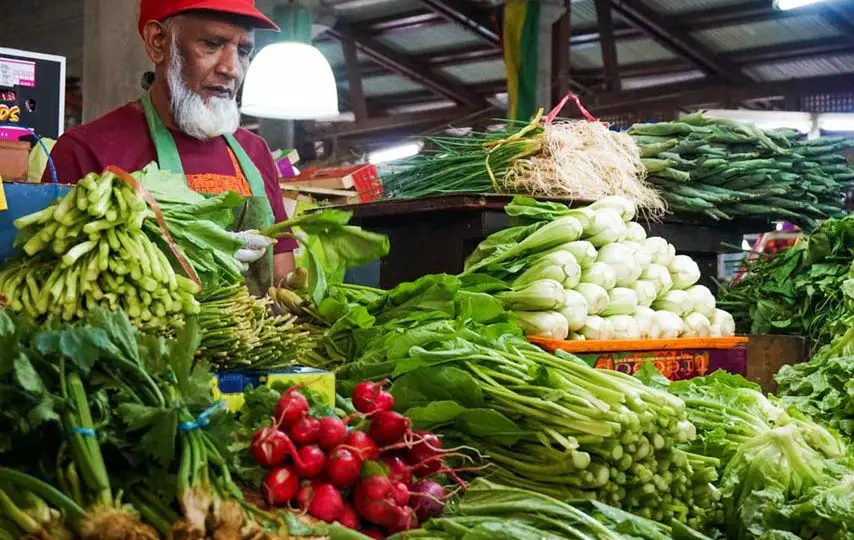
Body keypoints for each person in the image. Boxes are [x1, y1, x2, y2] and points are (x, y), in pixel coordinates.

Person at [44, 0, 297, 294]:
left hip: (250, 338)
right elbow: (60, 290)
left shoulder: (255, 152)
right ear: (158, 42)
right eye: (213, 44)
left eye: (243, 51)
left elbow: (283, 279)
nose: (232, 69)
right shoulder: (86, 151)